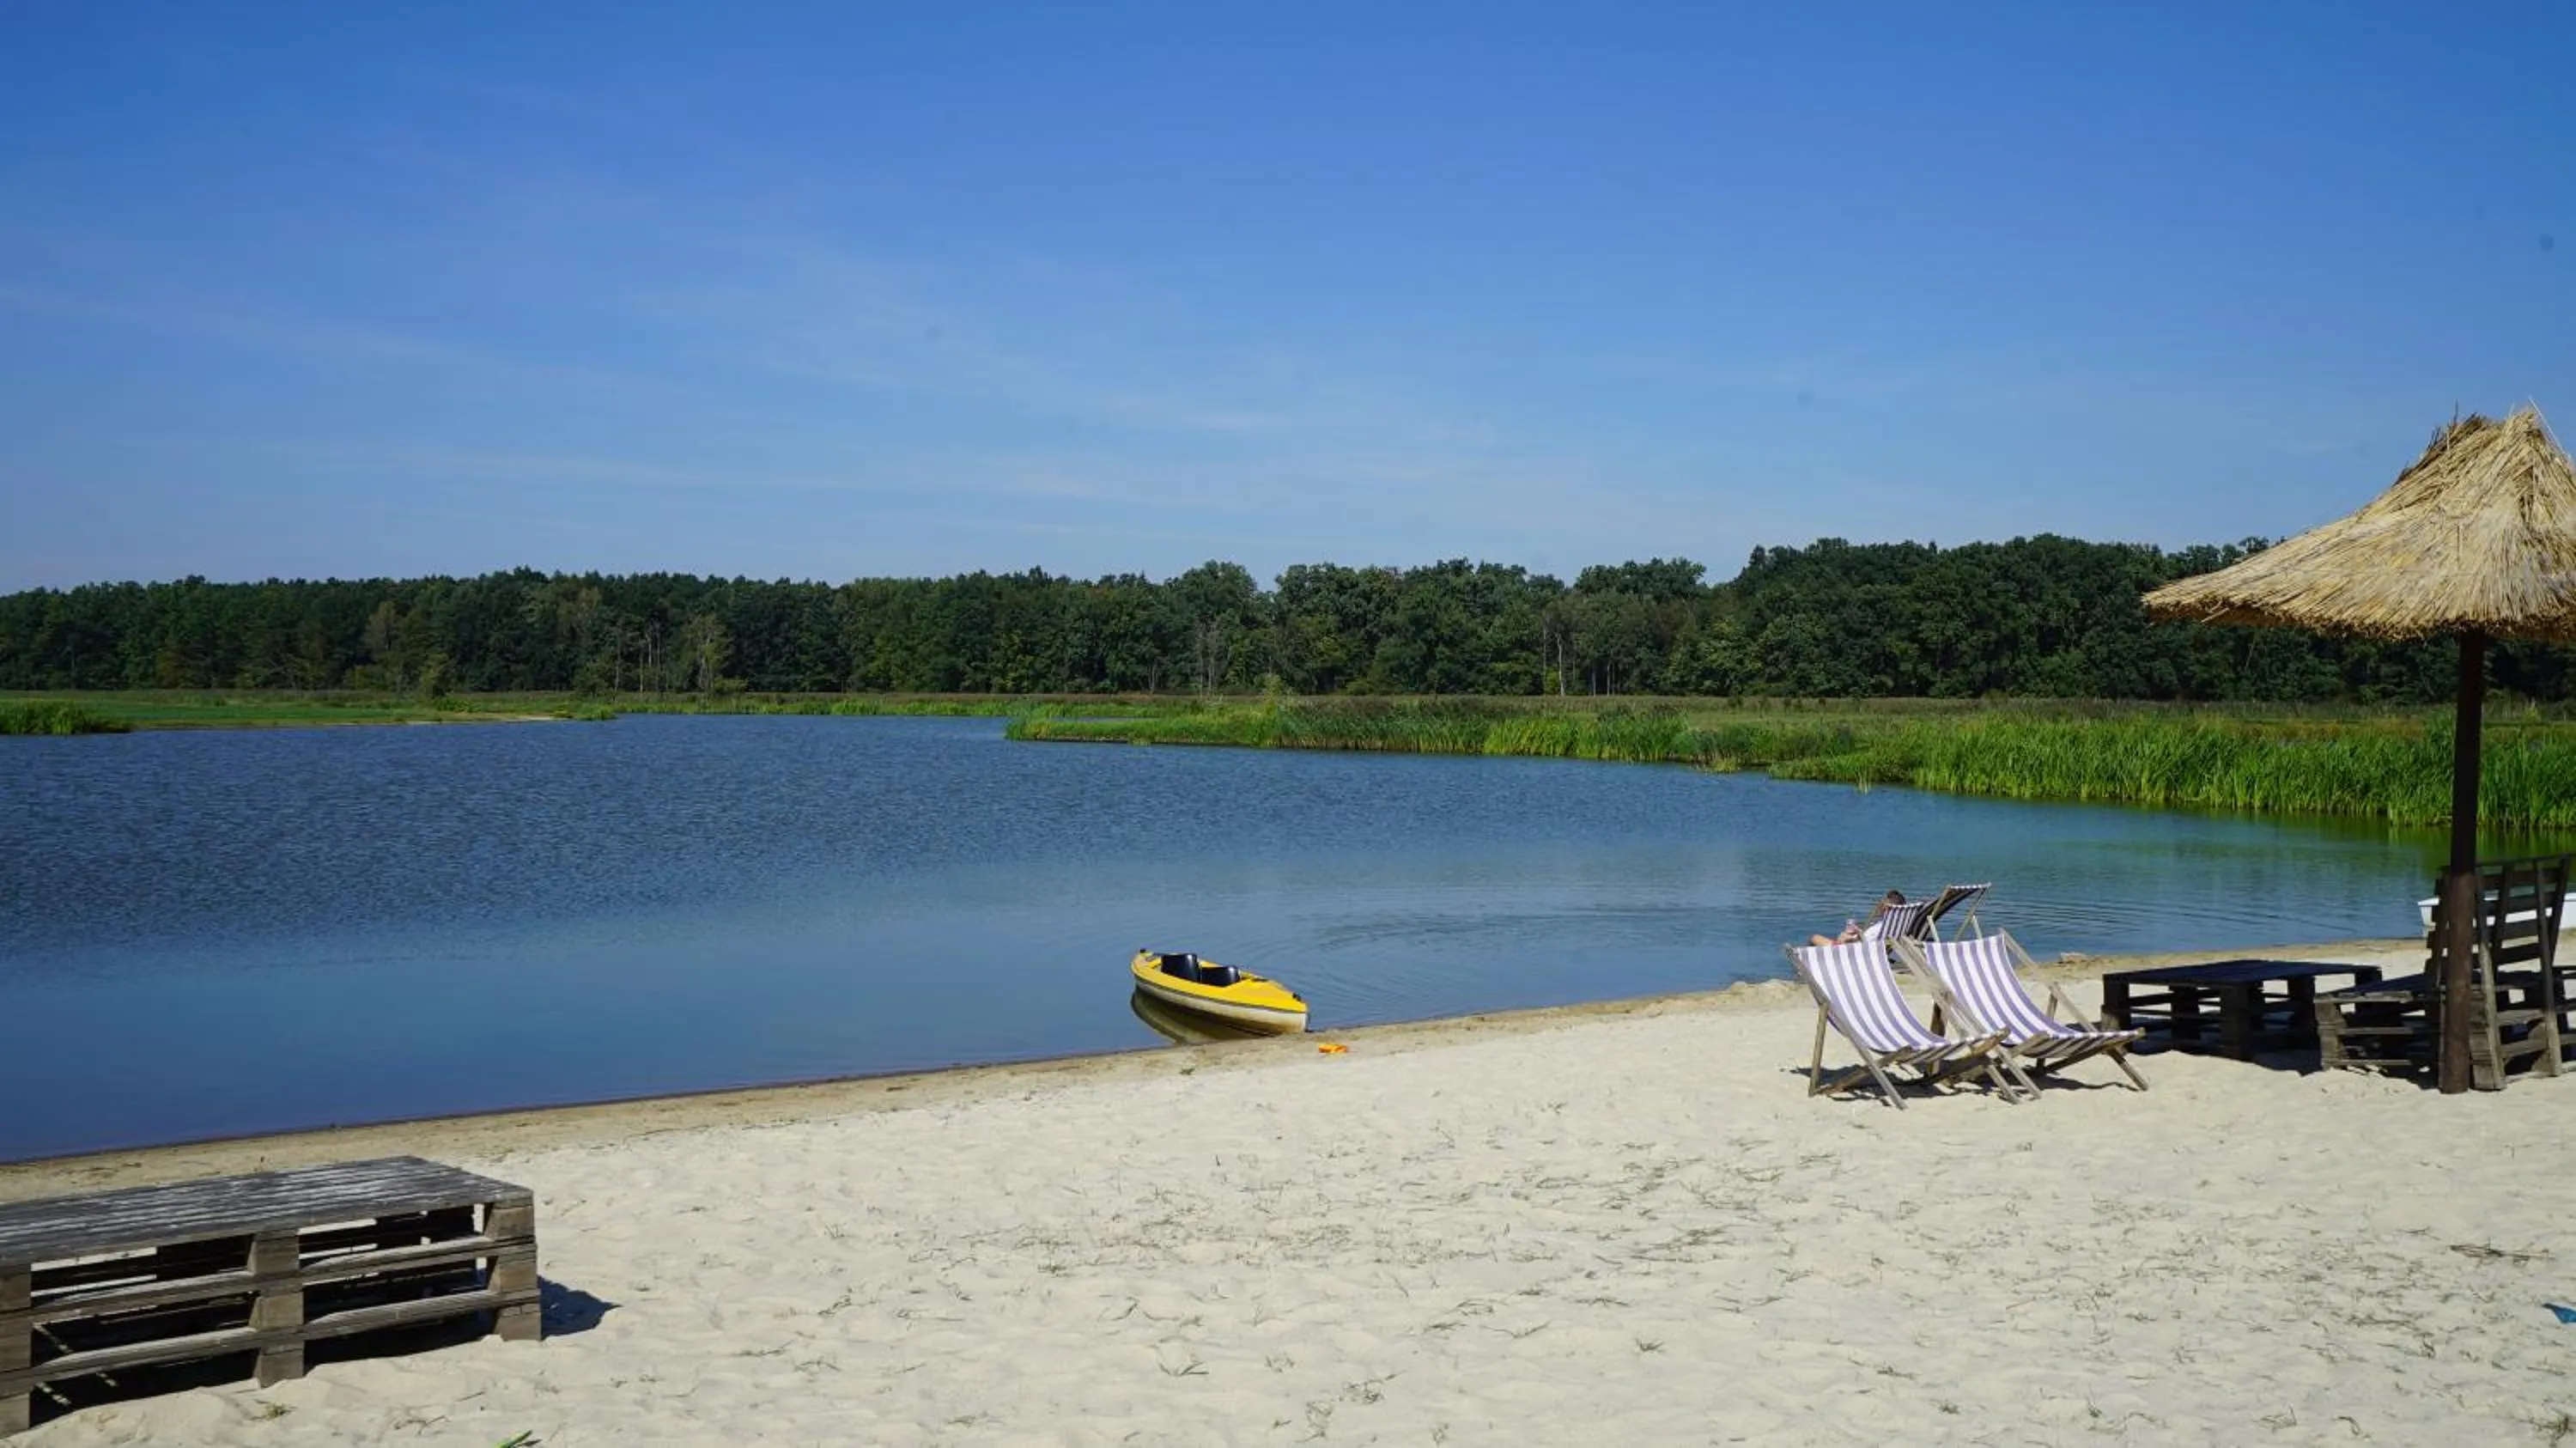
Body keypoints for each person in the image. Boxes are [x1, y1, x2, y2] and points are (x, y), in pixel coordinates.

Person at [1809, 889, 1905, 947]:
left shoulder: (1880, 927)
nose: (1878, 906)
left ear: (1885, 908)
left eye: (1881, 904)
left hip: (1855, 952)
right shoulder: (1898, 924)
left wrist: (1846, 937)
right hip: (1877, 950)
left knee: (1814, 938)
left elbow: (1860, 941)